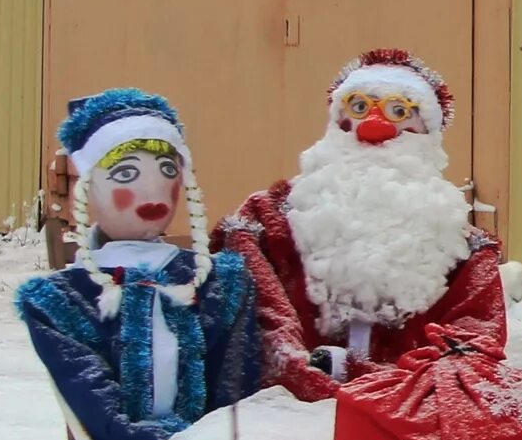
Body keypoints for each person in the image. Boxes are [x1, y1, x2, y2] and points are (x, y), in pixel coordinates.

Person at [16, 90, 259, 440]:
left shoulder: (218, 283)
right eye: (126, 174)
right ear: (89, 188)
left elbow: (237, 386)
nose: (152, 190)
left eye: (166, 169)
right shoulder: (62, 300)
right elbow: (95, 406)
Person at [216, 49, 504, 399]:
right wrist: (305, 373)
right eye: (359, 107)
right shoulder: (266, 220)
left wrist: (357, 374)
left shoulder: (463, 251)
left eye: (399, 111)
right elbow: (260, 327)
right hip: (289, 413)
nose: (374, 128)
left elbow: (471, 356)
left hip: (401, 419)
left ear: (426, 135)